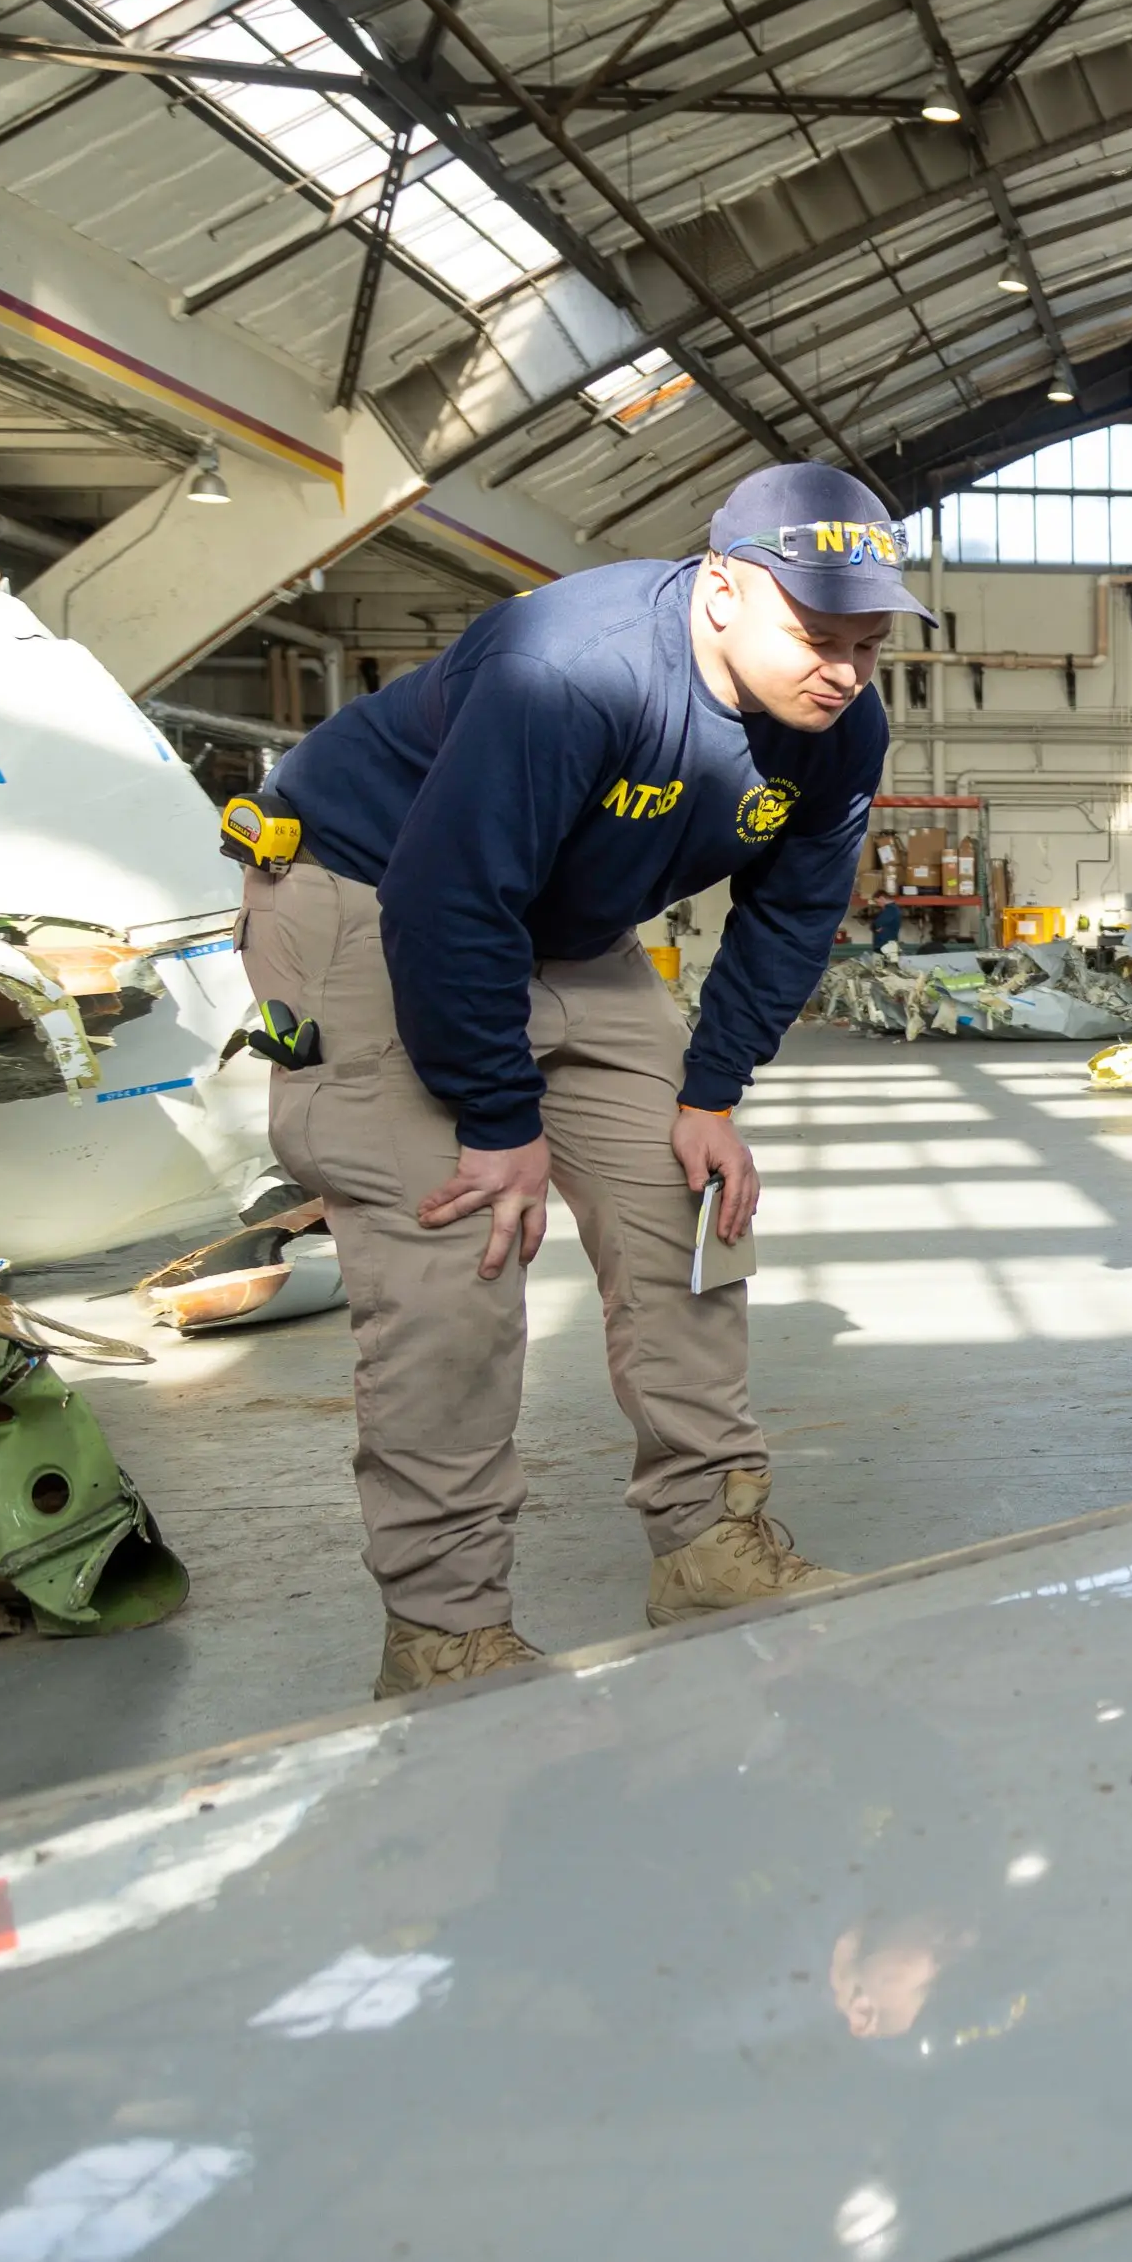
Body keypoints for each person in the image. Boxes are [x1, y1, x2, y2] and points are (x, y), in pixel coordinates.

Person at [242, 462, 908, 1698]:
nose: (846, 672)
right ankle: (446, 1630)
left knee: (688, 1200)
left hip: (562, 922)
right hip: (375, 893)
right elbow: (447, 903)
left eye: (870, 646)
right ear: (721, 590)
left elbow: (793, 914)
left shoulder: (841, 724)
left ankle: (711, 1537)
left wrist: (711, 1096)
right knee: (461, 1256)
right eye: (819, 638)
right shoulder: (575, 666)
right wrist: (499, 1120)